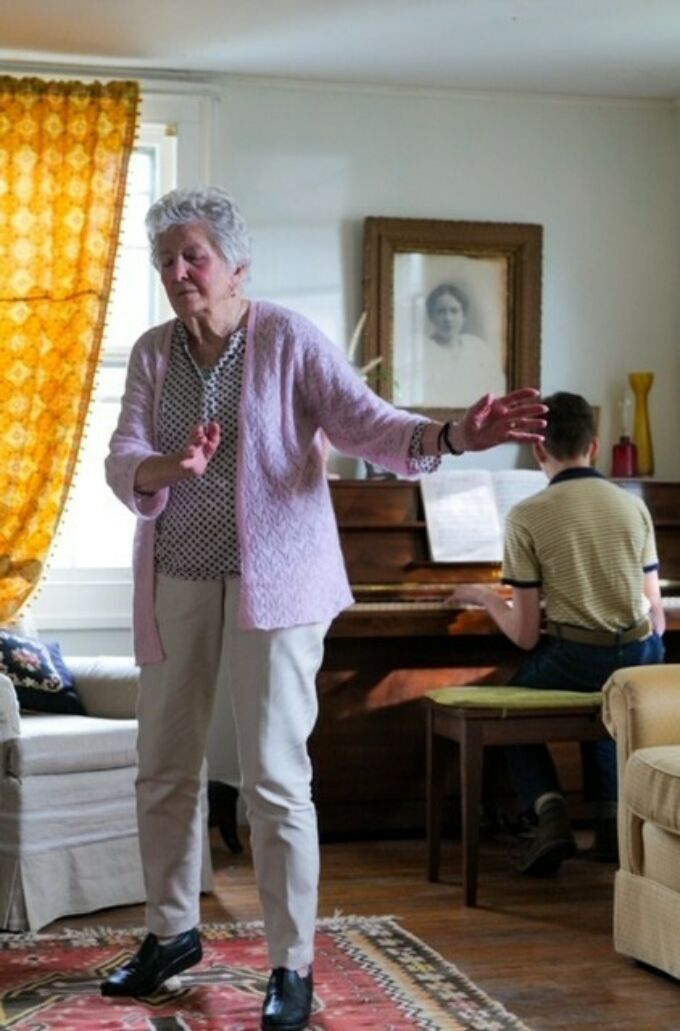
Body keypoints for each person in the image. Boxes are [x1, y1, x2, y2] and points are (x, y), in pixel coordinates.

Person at [102, 185, 546, 1030]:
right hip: (178, 582)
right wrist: (169, 467)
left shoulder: (287, 341)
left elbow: (368, 425)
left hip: (281, 587)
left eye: (193, 254)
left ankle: (290, 963)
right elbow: (125, 456)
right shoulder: (154, 353)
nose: (178, 271)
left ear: (237, 265)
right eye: (166, 260)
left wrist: (454, 437)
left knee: (274, 777)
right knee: (162, 766)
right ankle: (170, 933)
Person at [452, 391, 665, 877]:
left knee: (511, 705)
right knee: (607, 694)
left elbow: (525, 635)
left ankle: (550, 814)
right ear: (594, 447)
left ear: (538, 450)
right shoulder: (633, 506)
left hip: (579, 658)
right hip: (641, 652)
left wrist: (487, 599)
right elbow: (654, 610)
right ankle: (611, 823)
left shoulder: (528, 514)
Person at [421, 282, 506, 404]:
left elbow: (496, 388)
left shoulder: (477, 348)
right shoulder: (424, 350)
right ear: (431, 316)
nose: (448, 318)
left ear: (463, 315)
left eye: (454, 311)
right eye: (441, 311)